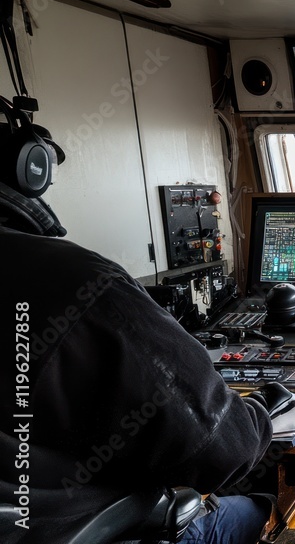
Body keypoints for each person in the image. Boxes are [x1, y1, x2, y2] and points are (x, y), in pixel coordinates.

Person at [0, 98, 272, 544]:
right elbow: (225, 450)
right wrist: (264, 409)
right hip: (100, 529)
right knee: (262, 505)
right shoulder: (71, 281)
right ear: (26, 167)